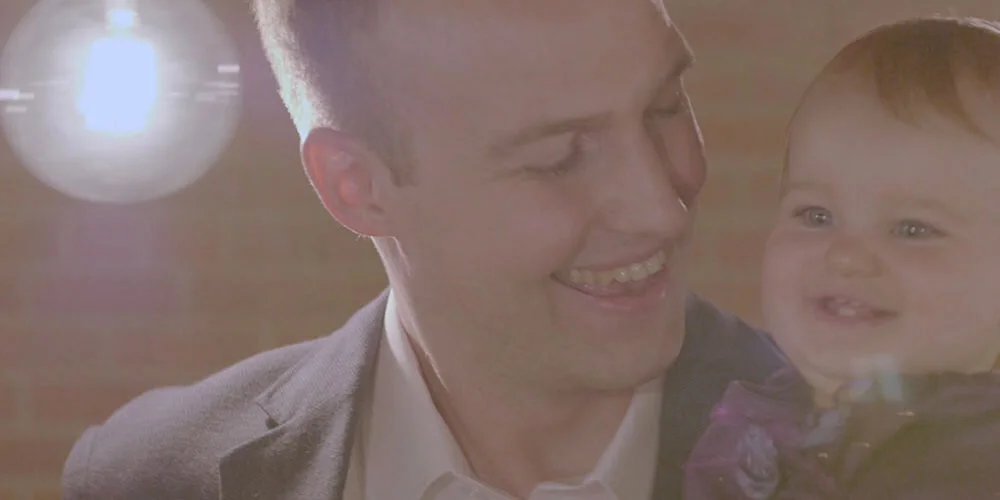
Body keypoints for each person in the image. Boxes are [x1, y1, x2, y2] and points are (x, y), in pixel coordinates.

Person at [61, 1, 784, 499]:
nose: (660, 206)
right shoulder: (148, 478)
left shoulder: (847, 452)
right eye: (561, 157)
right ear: (357, 187)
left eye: (665, 107)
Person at [683, 16, 1000, 500]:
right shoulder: (753, 421)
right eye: (816, 215)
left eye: (913, 229)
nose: (847, 256)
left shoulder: (974, 466)